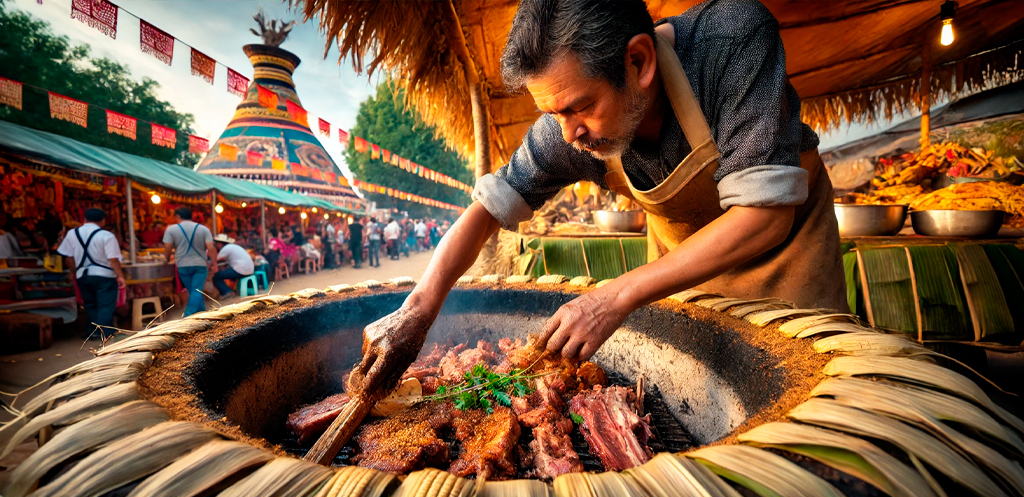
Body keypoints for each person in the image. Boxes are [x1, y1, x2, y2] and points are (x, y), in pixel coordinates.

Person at [349, 0, 847, 401]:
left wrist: (613, 296)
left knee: (795, 402)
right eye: (554, 114)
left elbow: (764, 217)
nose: (569, 135)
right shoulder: (567, 127)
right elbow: (486, 211)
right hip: (683, 285)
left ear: (638, 61)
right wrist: (418, 308)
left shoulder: (731, 41)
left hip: (789, 271)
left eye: (579, 109)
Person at [56, 208, 125, 338]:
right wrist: (120, 276)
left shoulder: (72, 234)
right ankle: (104, 332)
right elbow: (113, 259)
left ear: (85, 219)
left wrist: (75, 272)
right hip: (105, 276)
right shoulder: (107, 236)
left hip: (82, 275)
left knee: (90, 305)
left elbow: (68, 258)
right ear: (103, 221)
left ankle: (92, 331)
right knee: (105, 305)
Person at [163, 207, 216, 317]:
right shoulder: (203, 229)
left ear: (178, 216)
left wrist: (166, 259)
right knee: (196, 291)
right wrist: (214, 264)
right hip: (200, 264)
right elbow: (211, 248)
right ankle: (201, 314)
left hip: (182, 265)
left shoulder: (171, 229)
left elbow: (167, 247)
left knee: (194, 291)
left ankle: (188, 315)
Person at [212, 234, 254, 299]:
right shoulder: (233, 246)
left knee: (216, 276)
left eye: (217, 243)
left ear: (220, 243)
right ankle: (232, 290)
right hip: (249, 270)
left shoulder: (225, 248)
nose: (216, 245)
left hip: (241, 271)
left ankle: (227, 292)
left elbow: (216, 259)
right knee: (226, 273)